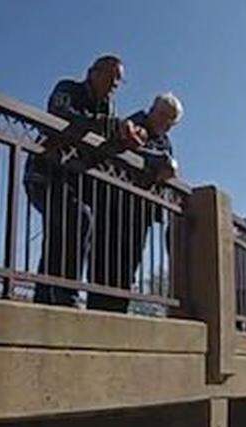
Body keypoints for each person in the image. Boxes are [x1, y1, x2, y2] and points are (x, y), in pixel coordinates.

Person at [25, 55, 146, 307]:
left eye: (119, 82)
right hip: (43, 173)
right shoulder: (67, 89)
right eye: (111, 77)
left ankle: (44, 299)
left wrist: (127, 140)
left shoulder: (108, 108)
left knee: (62, 233)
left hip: (72, 181)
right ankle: (67, 295)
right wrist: (109, 126)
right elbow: (60, 116)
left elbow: (106, 145)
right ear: (92, 72)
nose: (114, 85)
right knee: (79, 218)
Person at [86, 92, 184, 312]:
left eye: (171, 123)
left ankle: (118, 313)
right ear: (154, 110)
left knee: (128, 267)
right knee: (105, 262)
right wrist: (161, 163)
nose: (167, 126)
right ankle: (99, 313)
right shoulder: (134, 123)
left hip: (141, 213)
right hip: (115, 206)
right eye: (165, 117)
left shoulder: (165, 141)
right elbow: (126, 149)